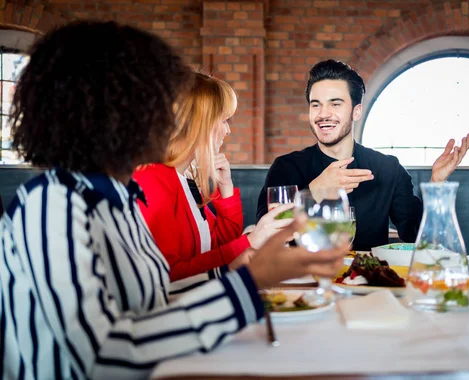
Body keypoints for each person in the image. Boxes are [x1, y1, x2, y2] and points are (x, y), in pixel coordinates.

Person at [0, 21, 346, 380]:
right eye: (159, 102)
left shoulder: (117, 199)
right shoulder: (51, 206)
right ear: (112, 115)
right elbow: (101, 357)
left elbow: (158, 294)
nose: (174, 118)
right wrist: (246, 280)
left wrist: (249, 269)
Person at [257, 59, 469, 251]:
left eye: (335, 103)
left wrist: (437, 183)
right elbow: (267, 237)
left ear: (356, 111)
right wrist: (315, 191)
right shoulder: (286, 167)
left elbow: (417, 235)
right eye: (316, 105)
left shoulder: (387, 168)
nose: (323, 114)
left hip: (370, 285)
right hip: (301, 285)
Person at [134, 72, 292, 284]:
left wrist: (226, 189)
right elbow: (169, 278)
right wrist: (251, 242)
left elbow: (217, 245)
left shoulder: (183, 177)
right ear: (202, 123)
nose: (227, 131)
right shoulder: (153, 180)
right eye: (224, 120)